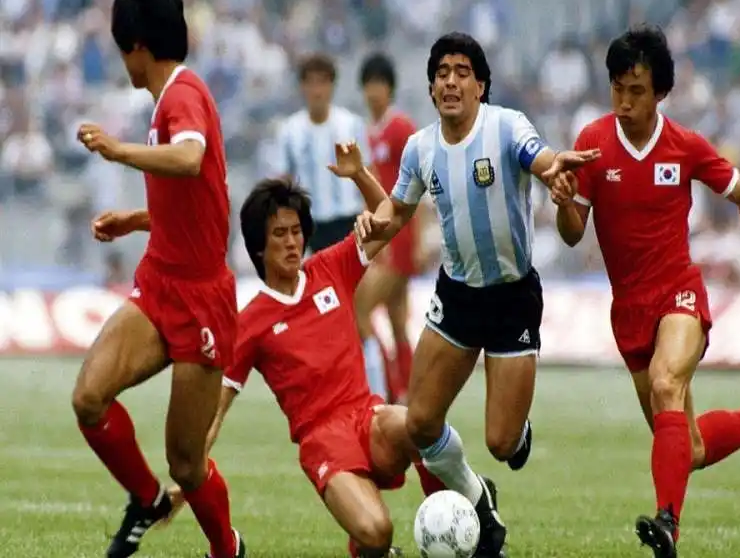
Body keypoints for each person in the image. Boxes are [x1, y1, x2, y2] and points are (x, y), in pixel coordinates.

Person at [169, 145, 499, 558]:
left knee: (422, 425)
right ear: (258, 248)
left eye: (295, 231)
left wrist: (360, 173)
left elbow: (392, 218)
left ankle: (463, 514)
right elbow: (216, 409)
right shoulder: (249, 321)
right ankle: (369, 547)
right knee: (376, 532)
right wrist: (191, 472)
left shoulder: (330, 267)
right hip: (323, 443)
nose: (292, 243)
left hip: (368, 416)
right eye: (278, 234)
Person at [544, 25, 740, 558]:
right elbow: (571, 233)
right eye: (617, 89)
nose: (625, 101)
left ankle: (667, 524)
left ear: (660, 92)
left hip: (678, 293)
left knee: (664, 385)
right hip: (627, 311)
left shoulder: (685, 146)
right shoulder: (591, 143)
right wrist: (563, 199)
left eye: (636, 90)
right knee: (690, 447)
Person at [353, 32, 599, 556]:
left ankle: (517, 434)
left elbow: (541, 158)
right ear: (431, 86)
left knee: (502, 443)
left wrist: (556, 171)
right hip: (457, 297)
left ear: (481, 85)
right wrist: (374, 226)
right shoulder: (421, 148)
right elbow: (396, 209)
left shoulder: (506, 126)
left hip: (512, 298)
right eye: (441, 72)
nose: (450, 81)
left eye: (462, 71)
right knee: (420, 422)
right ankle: (477, 500)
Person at [70, 0, 244, 557]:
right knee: (89, 398)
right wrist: (139, 220)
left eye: (121, 49)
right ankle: (145, 500)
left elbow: (191, 158)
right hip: (159, 283)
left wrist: (119, 151)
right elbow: (206, 196)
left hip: (201, 302)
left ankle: (227, 549)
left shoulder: (183, 95)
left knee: (187, 463)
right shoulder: (168, 99)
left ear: (136, 49)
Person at [263, 52, 388, 402]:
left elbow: (369, 177)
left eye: (323, 82)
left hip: (348, 226)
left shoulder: (350, 125)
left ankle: (377, 395)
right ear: (303, 87)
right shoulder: (289, 131)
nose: (317, 90)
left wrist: (378, 228)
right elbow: (282, 184)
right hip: (309, 229)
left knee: (358, 313)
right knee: (313, 314)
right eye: (310, 82)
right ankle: (323, 390)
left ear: (332, 86)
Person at [357, 52, 420, 403]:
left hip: (399, 237)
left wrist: (421, 239)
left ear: (390, 88)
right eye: (368, 84)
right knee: (397, 321)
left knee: (360, 310)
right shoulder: (368, 132)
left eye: (378, 84)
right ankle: (408, 394)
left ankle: (386, 392)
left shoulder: (401, 128)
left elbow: (419, 184)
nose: (372, 92)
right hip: (381, 236)